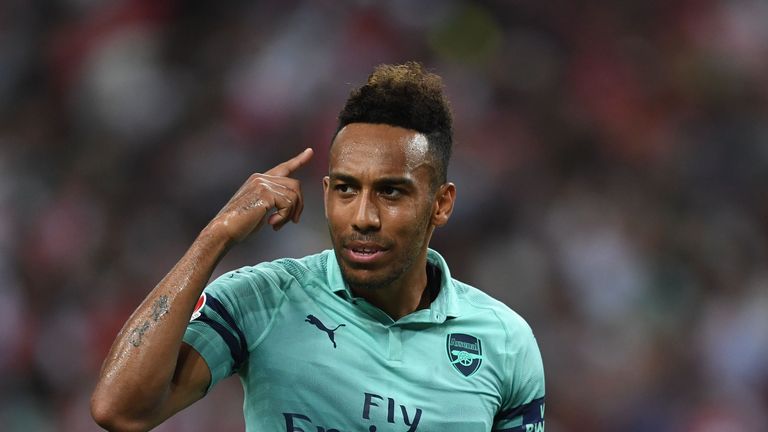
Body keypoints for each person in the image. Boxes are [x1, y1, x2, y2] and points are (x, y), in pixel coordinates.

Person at [91, 61, 545, 432]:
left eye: (391, 192)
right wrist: (217, 235)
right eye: (346, 190)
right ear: (326, 192)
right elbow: (121, 410)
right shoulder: (264, 299)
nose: (363, 217)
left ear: (441, 204)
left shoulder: (503, 343)